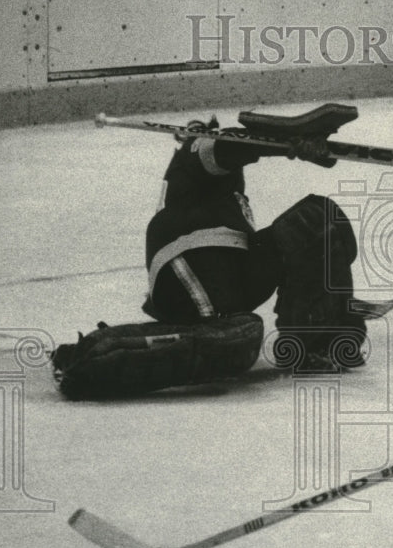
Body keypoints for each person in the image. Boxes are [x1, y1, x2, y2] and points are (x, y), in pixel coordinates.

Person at [143, 111, 367, 375]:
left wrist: (333, 294)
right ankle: (210, 333)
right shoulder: (194, 148)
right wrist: (287, 141)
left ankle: (317, 342)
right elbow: (225, 146)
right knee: (308, 223)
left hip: (227, 275)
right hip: (185, 275)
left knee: (320, 218)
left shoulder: (223, 193)